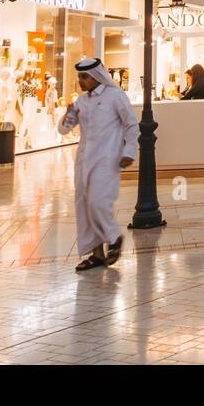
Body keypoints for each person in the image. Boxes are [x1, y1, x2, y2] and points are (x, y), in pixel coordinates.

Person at [58, 57, 137, 271]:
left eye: (84, 77)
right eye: (80, 77)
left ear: (95, 76)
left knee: (97, 202)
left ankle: (114, 237)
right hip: (84, 160)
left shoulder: (116, 96)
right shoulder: (81, 101)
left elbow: (131, 125)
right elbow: (64, 129)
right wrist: (68, 114)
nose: (81, 81)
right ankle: (96, 255)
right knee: (84, 205)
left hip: (107, 158)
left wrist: (129, 151)